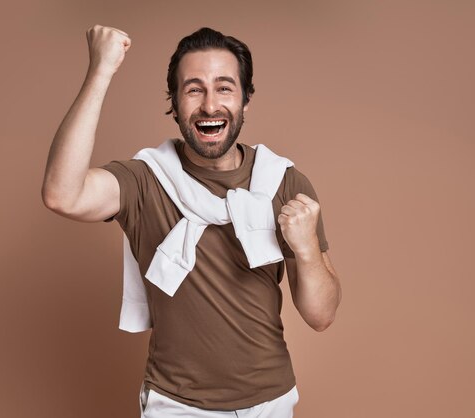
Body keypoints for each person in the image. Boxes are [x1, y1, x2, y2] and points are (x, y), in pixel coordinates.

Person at [42, 24, 342, 418]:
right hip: (178, 406)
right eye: (194, 89)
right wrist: (101, 70)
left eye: (224, 87)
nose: (209, 105)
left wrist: (306, 250)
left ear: (246, 99)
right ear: (175, 101)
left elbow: (321, 316)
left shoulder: (282, 182)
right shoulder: (145, 180)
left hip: (270, 402)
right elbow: (62, 194)